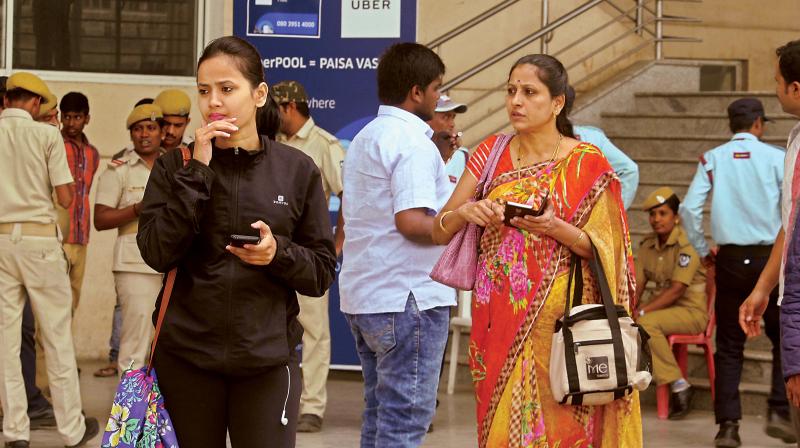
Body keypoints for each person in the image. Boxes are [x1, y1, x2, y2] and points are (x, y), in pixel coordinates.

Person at [431, 54, 641, 447]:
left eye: (529, 92)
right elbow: (439, 231)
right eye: (511, 91)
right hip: (496, 318)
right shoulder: (490, 152)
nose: (516, 102)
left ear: (557, 103)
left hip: (560, 324)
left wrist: (553, 227)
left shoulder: (586, 162)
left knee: (562, 426)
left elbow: (605, 249)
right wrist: (466, 212)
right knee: (497, 424)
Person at [137, 36, 336, 447]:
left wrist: (277, 253)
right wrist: (199, 172)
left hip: (266, 361)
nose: (214, 102)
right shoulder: (177, 166)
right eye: (205, 90)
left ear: (259, 94)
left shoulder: (297, 170)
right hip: (186, 358)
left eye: (227, 89)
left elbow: (320, 272)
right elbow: (157, 252)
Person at [340, 42, 455, 447]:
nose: (441, 97)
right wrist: (459, 218)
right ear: (416, 92)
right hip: (409, 299)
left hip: (369, 297)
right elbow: (410, 221)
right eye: (438, 88)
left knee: (379, 417)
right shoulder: (412, 143)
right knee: (405, 425)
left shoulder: (366, 137)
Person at [681, 97, 790, 447]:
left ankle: (728, 426)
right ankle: (779, 408)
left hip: (729, 259)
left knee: (728, 345)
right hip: (769, 262)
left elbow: (688, 209)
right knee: (781, 337)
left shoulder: (712, 159)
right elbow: (790, 211)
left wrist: (702, 251)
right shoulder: (777, 158)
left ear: (732, 125)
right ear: (758, 124)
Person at [0, 71, 98, 447]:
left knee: (7, 343)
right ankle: (72, 431)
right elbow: (66, 198)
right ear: (37, 104)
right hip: (39, 242)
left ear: (9, 99)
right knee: (57, 338)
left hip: (3, 241)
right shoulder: (46, 135)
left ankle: (15, 432)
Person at [273, 79, 345, 433]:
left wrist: (336, 245)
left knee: (315, 331)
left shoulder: (325, 145)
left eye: (275, 108)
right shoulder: (271, 143)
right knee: (273, 327)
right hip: (272, 252)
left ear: (289, 107)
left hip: (309, 252)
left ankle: (312, 407)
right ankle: (276, 401)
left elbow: (350, 193)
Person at [740, 38, 800, 444]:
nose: (775, 89)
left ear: (796, 88)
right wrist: (763, 287)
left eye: (779, 82)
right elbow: (790, 223)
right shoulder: (794, 139)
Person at [94, 103, 166, 374]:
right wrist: (138, 208)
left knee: (168, 345)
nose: (144, 134)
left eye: (150, 128)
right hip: (134, 265)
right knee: (134, 344)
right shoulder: (119, 168)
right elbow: (100, 219)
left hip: (171, 263)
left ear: (161, 131)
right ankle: (129, 415)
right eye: (138, 129)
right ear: (131, 134)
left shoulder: (174, 163)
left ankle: (158, 413)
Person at [635, 187, 707, 420]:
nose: (656, 220)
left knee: (645, 322)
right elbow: (638, 284)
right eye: (653, 214)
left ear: (676, 217)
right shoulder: (647, 246)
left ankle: (679, 384)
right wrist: (627, 310)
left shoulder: (688, 246)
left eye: (663, 213)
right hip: (663, 310)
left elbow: (676, 290)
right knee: (630, 322)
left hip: (691, 312)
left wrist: (642, 310)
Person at [57, 92, 100, 312]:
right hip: (57, 238)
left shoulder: (93, 153)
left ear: (87, 118)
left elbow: (86, 192)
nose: (71, 123)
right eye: (67, 117)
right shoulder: (55, 146)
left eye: (77, 117)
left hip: (82, 237)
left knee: (72, 301)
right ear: (60, 117)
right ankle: (41, 349)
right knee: (52, 302)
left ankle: (61, 348)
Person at [565, 86, 639, 210]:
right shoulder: (591, 136)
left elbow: (629, 170)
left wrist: (610, 215)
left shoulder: (591, 137)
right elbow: (629, 170)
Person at [428, 94, 469, 189]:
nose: (452, 124)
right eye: (445, 117)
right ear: (428, 120)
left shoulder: (462, 155)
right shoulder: (417, 150)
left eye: (453, 117)